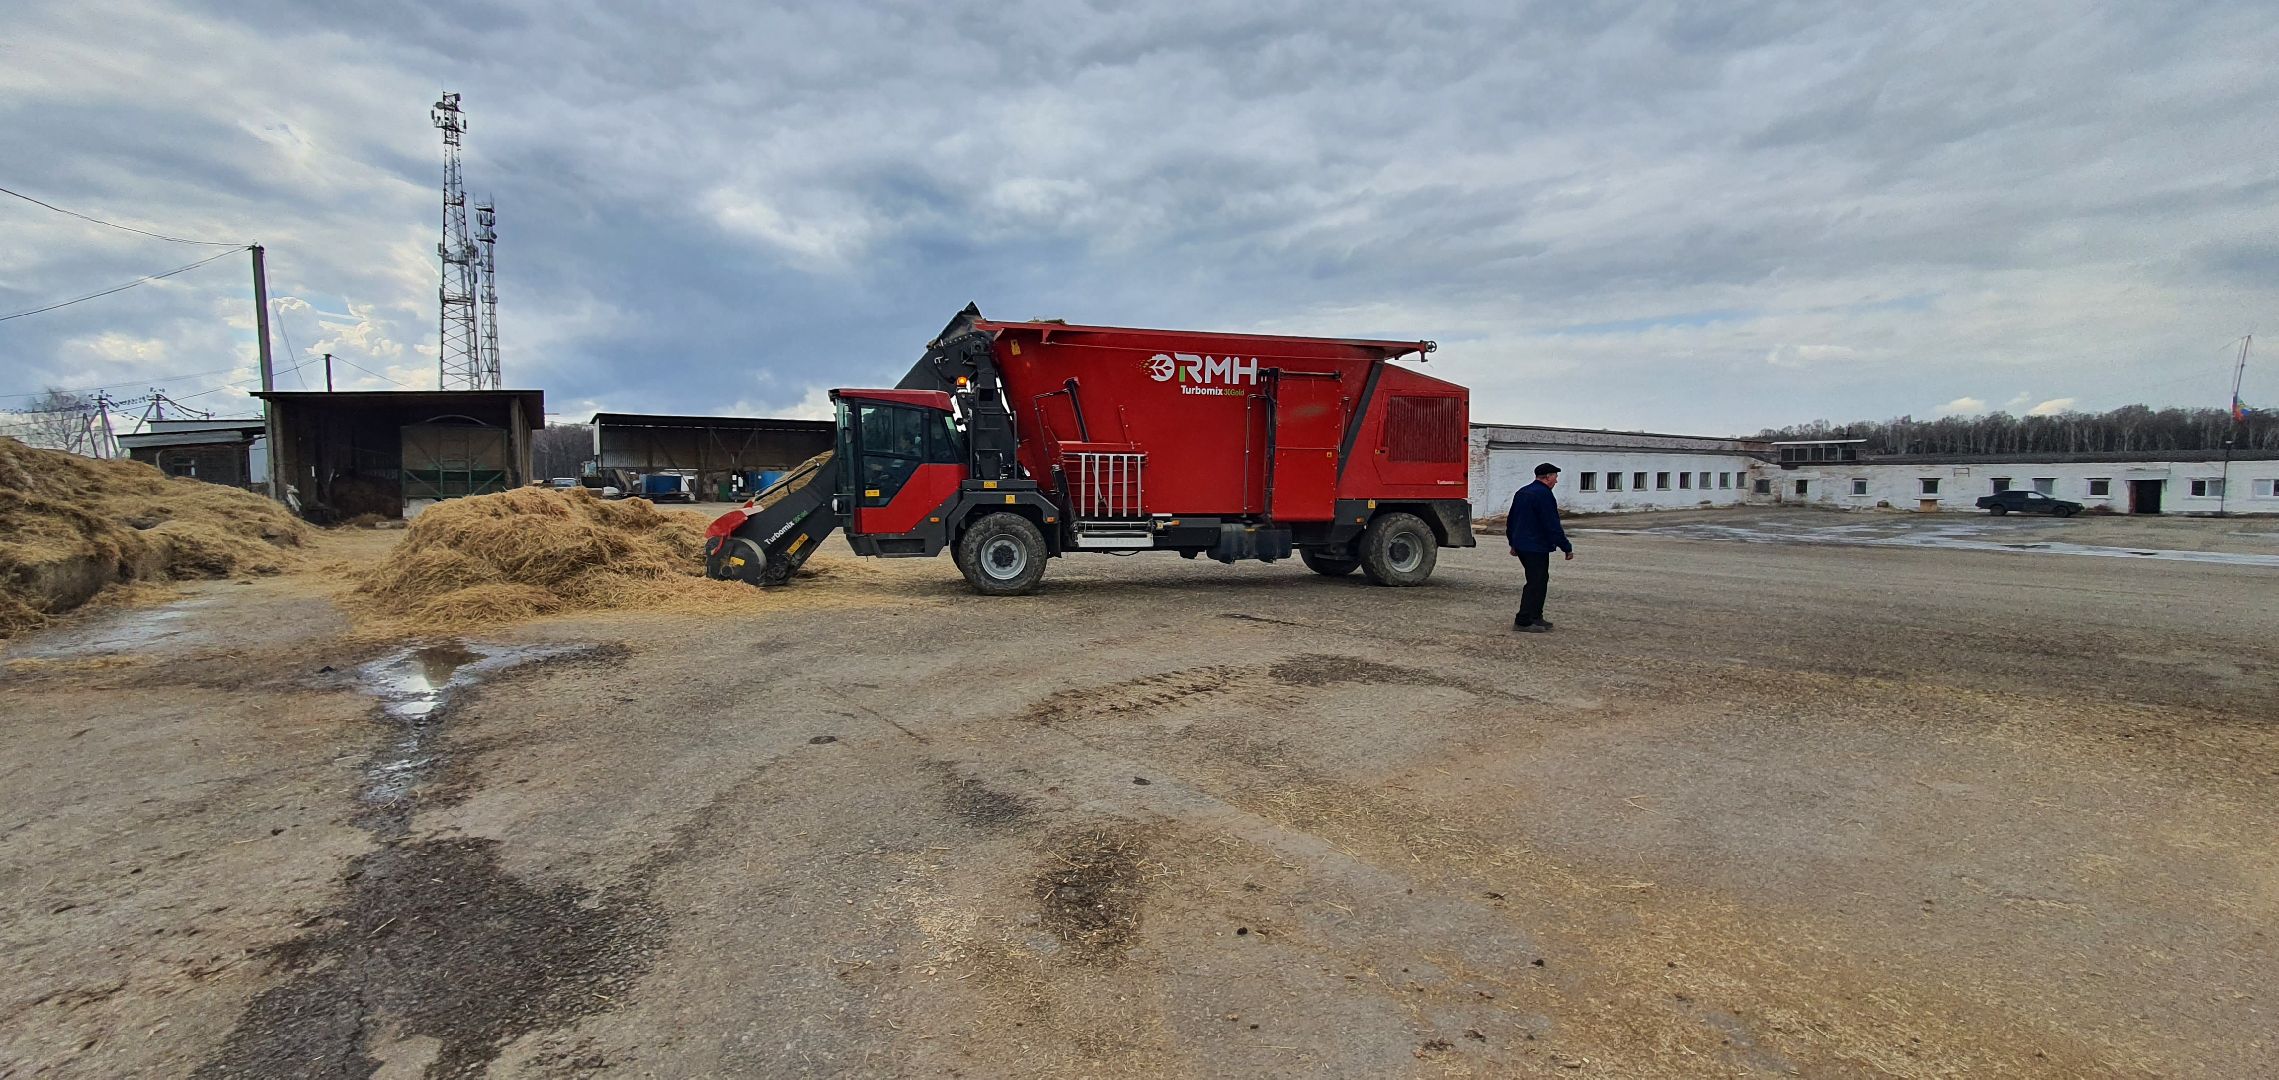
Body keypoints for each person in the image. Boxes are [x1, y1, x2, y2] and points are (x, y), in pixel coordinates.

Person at [1506, 462, 1573, 632]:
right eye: (1555, 477)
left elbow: (1512, 520)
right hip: (1535, 545)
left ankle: (1536, 617)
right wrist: (1566, 546)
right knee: (1536, 582)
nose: (1556, 481)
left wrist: (1513, 543)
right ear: (1548, 477)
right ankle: (1524, 621)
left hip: (1523, 545)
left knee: (1539, 580)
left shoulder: (1522, 492)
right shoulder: (1543, 495)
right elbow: (1551, 524)